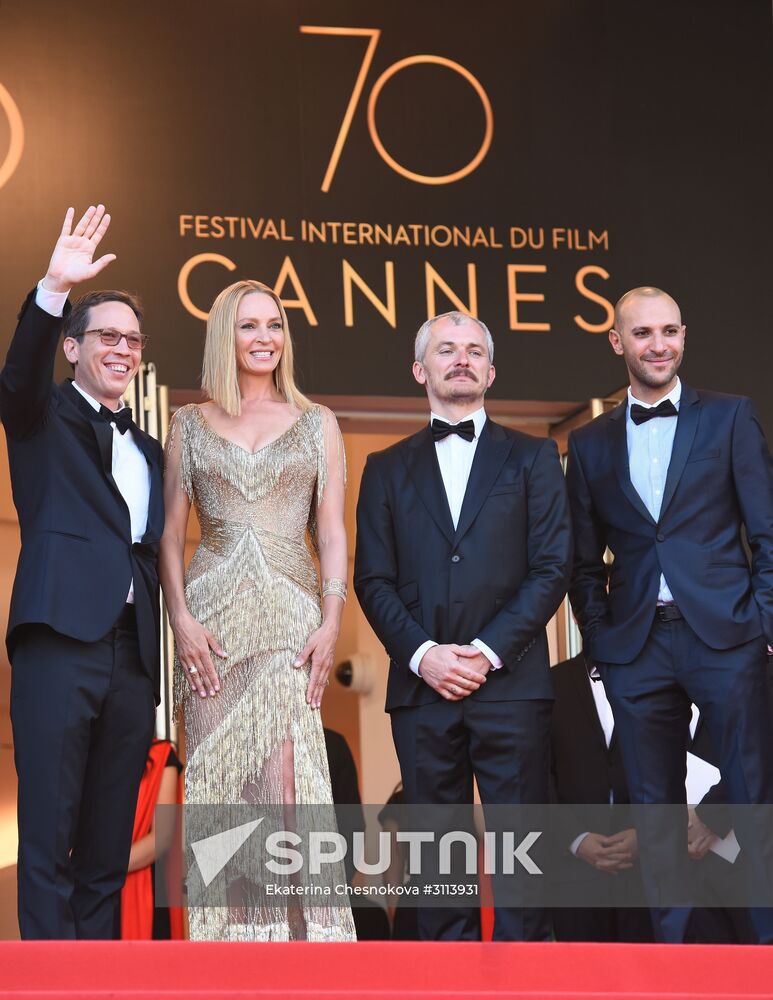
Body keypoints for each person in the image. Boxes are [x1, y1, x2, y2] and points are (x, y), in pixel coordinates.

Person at [354, 310, 571, 940]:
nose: (462, 359)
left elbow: (553, 568)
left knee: (522, 862)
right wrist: (425, 655)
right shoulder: (385, 469)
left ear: (492, 371)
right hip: (423, 691)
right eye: (447, 349)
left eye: (474, 350)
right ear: (421, 370)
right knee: (436, 869)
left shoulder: (534, 457)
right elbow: (374, 580)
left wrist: (484, 651)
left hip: (513, 684)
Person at [566, 285, 773, 944]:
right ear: (616, 341)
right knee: (655, 815)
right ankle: (673, 967)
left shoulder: (730, 417)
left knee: (750, 804)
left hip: (725, 637)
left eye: (669, 332)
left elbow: (766, 532)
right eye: (643, 333)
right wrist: (601, 641)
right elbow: (579, 560)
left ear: (682, 335)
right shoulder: (589, 442)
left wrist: (762, 625)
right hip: (635, 647)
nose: (658, 345)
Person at [159, 278, 355, 941]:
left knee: (286, 784)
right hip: (211, 626)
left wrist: (331, 623)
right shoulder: (187, 424)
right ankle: (224, 950)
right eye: (248, 326)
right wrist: (180, 620)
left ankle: (301, 952)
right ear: (225, 335)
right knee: (218, 783)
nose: (264, 337)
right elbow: (168, 534)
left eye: (273, 324)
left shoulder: (316, 422)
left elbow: (330, 533)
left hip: (291, 620)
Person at [0, 205, 162, 939]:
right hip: (59, 641)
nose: (122, 349)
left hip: (133, 654)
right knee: (47, 839)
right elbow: (17, 376)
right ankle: (45, 984)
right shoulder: (40, 415)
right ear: (72, 348)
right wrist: (54, 287)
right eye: (106, 336)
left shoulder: (152, 450)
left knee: (105, 848)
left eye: (132, 340)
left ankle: (101, 981)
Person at [549, 652, 654, 942]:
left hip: (646, 874)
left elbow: (677, 763)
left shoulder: (659, 678)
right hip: (572, 876)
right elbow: (537, 776)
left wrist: (645, 834)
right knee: (581, 980)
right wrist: (575, 839)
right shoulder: (551, 683)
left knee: (646, 978)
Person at [119, 739, 184, 940]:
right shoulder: (90, 757)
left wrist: (103, 866)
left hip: (145, 883)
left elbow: (162, 838)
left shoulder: (162, 757)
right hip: (95, 888)